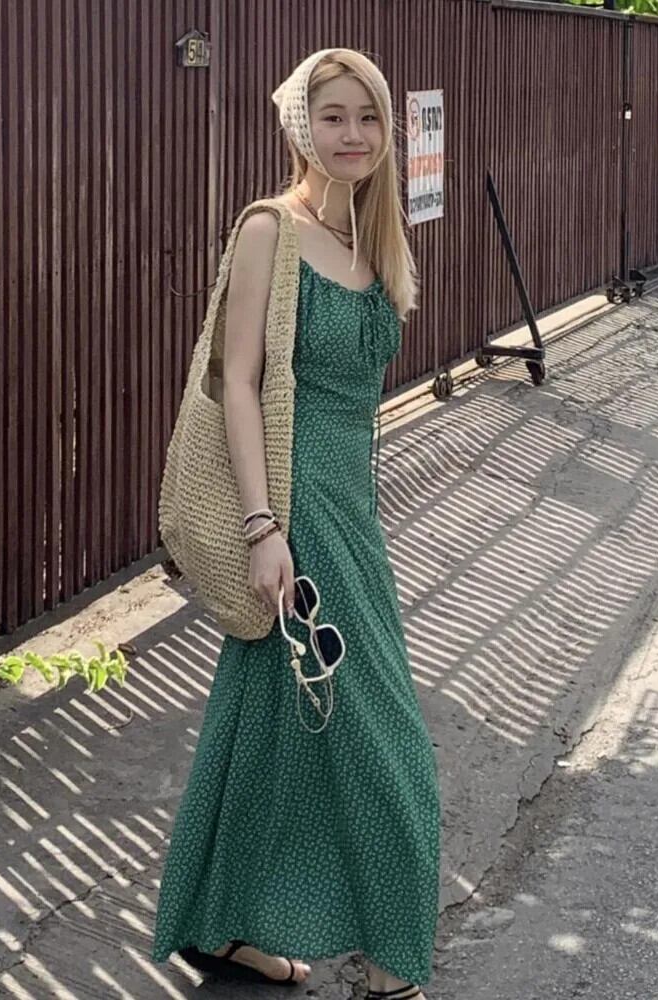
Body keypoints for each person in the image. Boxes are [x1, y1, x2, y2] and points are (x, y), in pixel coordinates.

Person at [151, 48, 441, 1000]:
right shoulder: (271, 230)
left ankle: (220, 926)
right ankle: (393, 969)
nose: (352, 134)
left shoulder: (371, 238)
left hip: (353, 513)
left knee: (266, 724)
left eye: (368, 116)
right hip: (294, 509)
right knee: (391, 749)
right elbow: (235, 382)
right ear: (299, 126)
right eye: (332, 115)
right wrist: (261, 526)